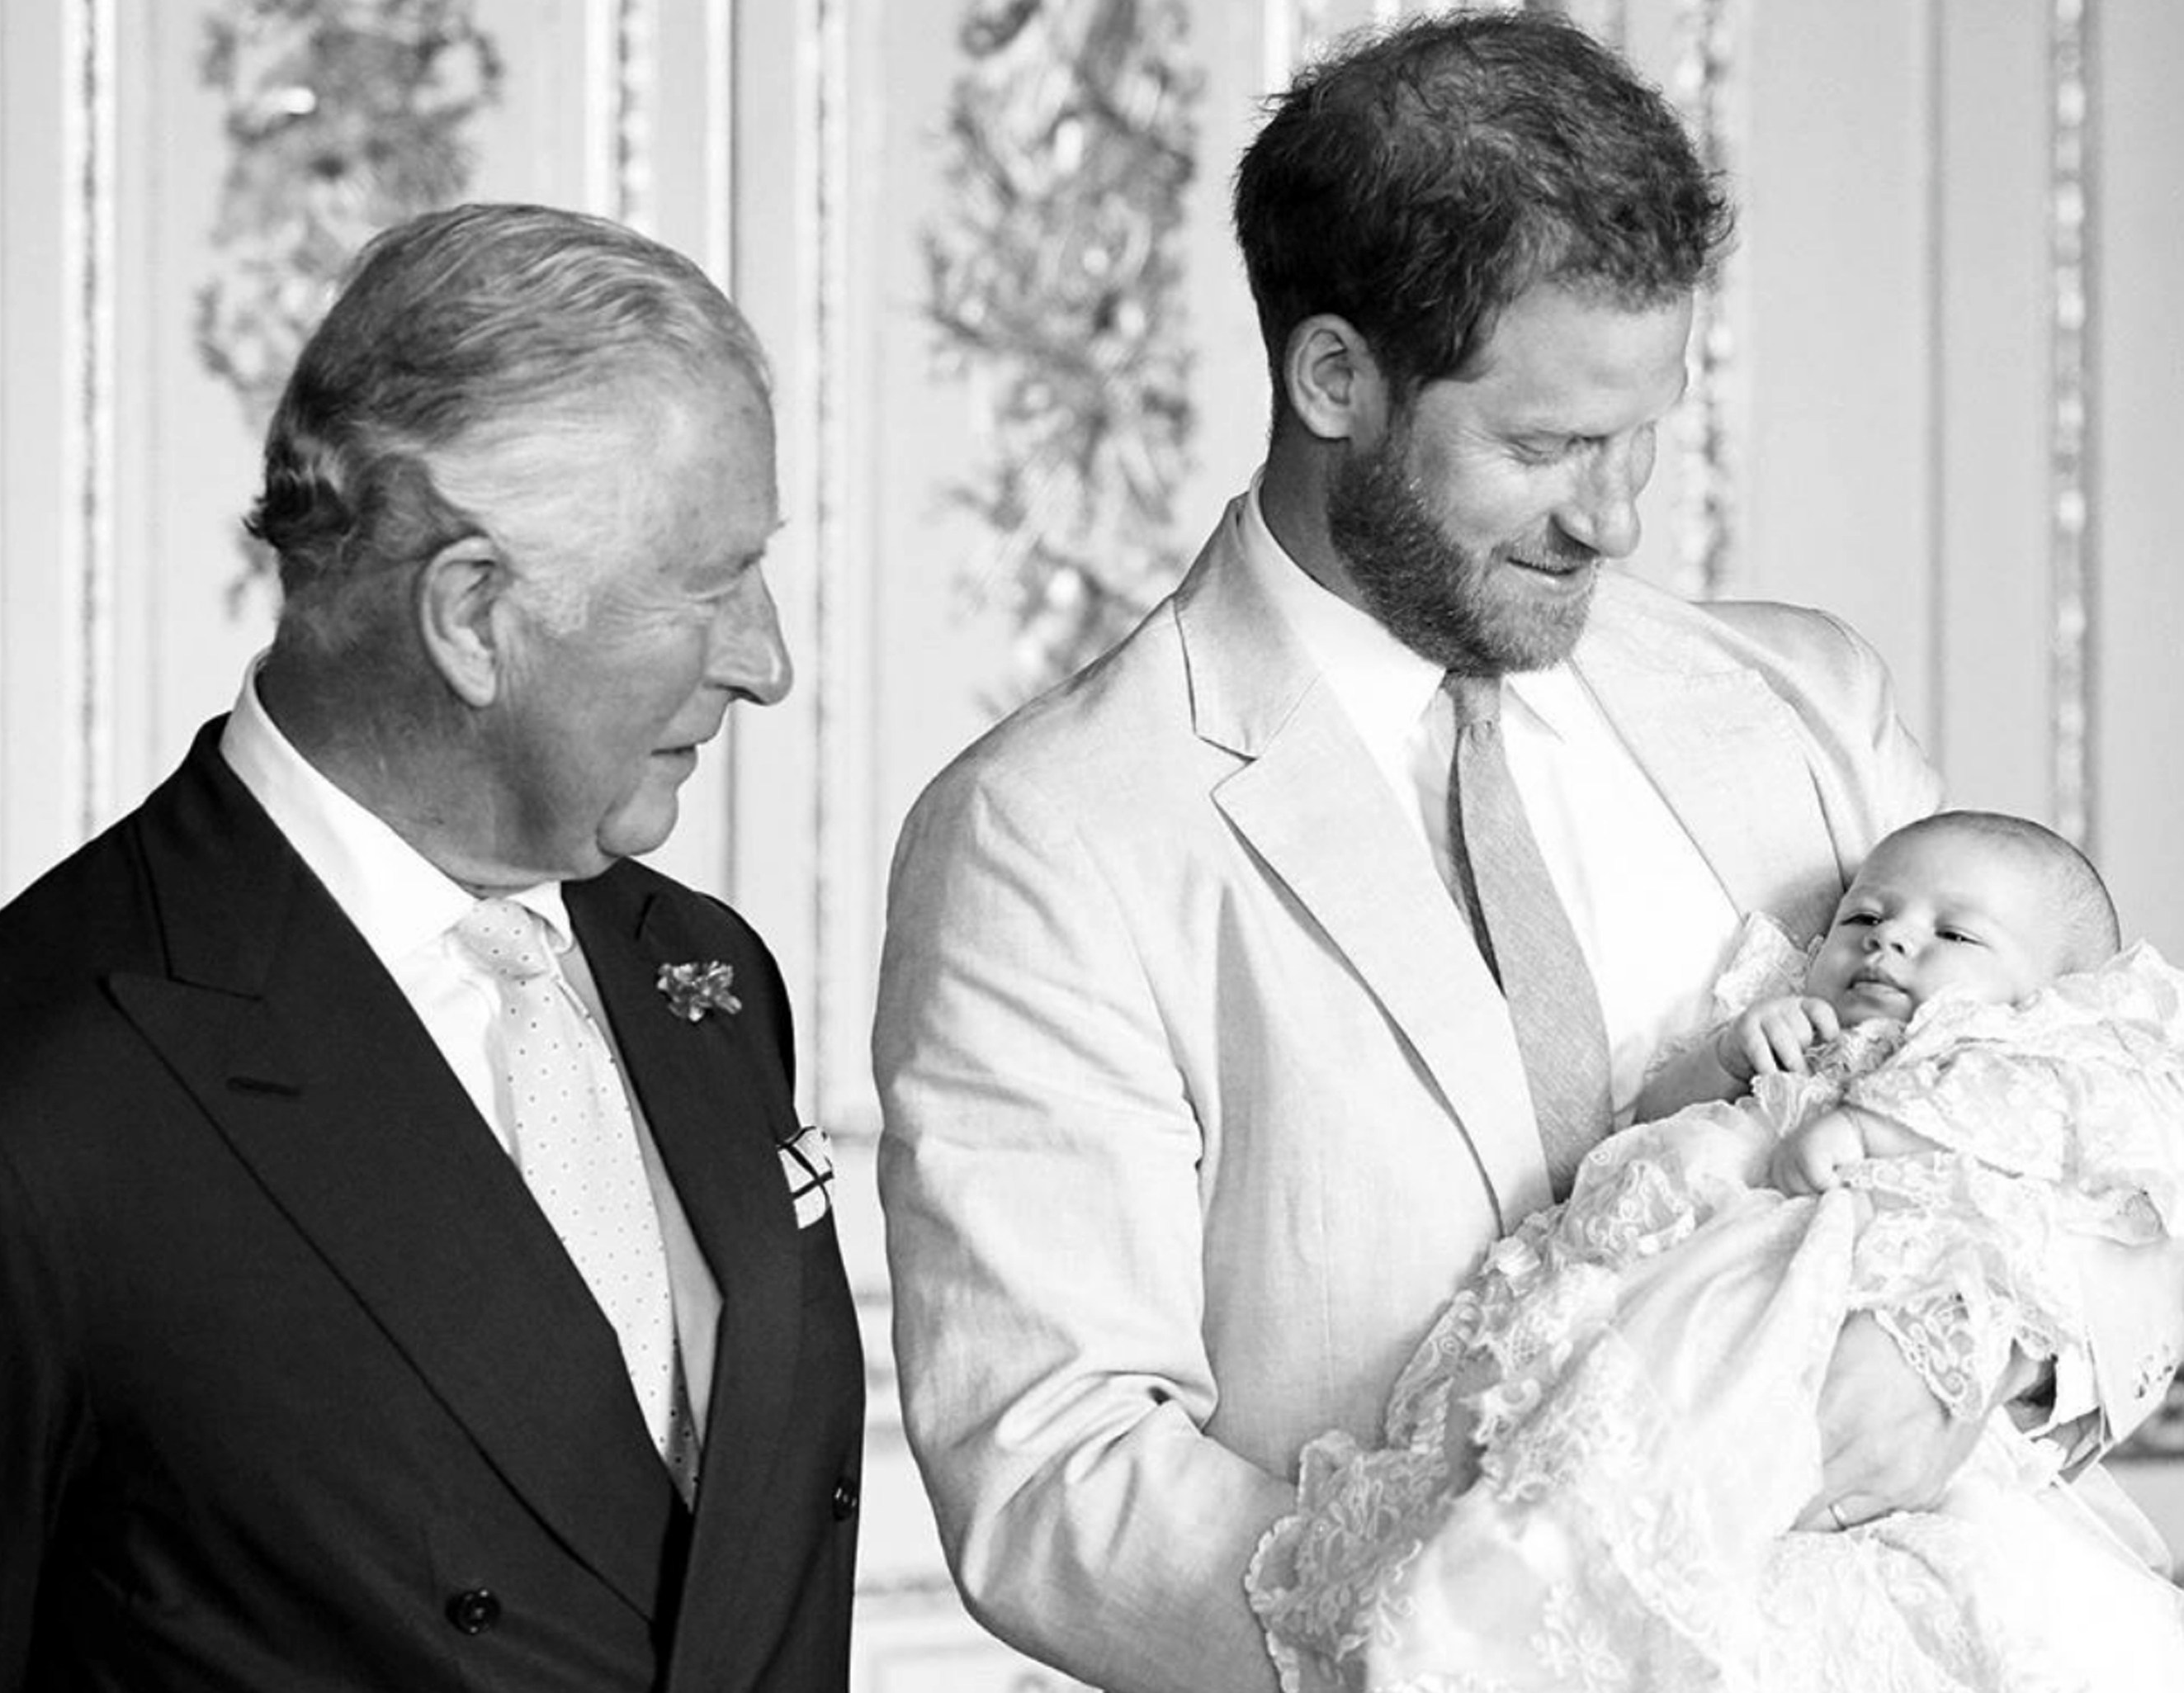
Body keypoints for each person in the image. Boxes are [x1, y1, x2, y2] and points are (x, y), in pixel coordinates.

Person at [872, 14, 2184, 1693]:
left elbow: (2096, 1149)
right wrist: (1500, 1641)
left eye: (1637, 436)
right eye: (1547, 446)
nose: (1613, 518)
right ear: (1334, 377)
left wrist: (1963, 1360)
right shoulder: (1046, 830)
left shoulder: (1799, 699)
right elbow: (1050, 1476)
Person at [0, 203, 865, 1691]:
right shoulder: (18, 1104)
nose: (767, 660)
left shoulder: (710, 976)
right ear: (474, 615)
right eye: (707, 584)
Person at [1249, 810, 2184, 1691]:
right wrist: (1732, 1055)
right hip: (1657, 1297)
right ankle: (1512, 1593)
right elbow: (1647, 1120)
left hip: (1831, 1312)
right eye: (1865, 913)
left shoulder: (2016, 1059)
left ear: (2047, 998)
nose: (1890, 937)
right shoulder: (1790, 1021)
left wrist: (1865, 1135)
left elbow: (2046, 1161)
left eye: (1955, 935)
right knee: (1588, 1468)